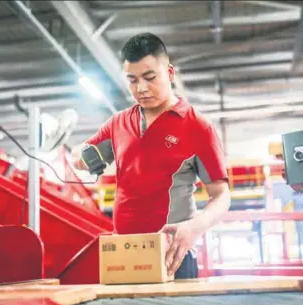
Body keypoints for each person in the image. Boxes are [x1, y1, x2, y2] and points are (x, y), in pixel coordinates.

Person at [71, 33, 231, 279]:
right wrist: (76, 154)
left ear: (169, 72)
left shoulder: (198, 127)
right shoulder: (118, 124)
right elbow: (83, 157)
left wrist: (194, 227)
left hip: (173, 257)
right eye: (132, 80)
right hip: (124, 254)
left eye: (149, 77)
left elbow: (221, 196)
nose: (141, 88)